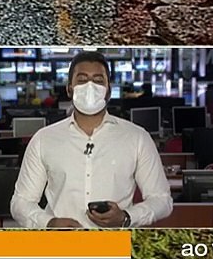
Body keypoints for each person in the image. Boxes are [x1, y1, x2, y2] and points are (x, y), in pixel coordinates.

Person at [10, 50, 172, 229]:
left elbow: (162, 200)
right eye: (81, 79)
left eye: (98, 80)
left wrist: (127, 217)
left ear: (108, 90)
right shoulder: (44, 139)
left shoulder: (137, 137)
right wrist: (48, 223)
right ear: (69, 89)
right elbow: (21, 202)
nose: (90, 86)